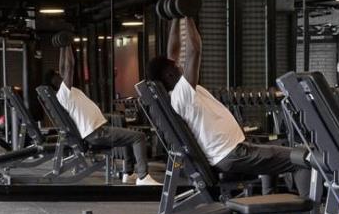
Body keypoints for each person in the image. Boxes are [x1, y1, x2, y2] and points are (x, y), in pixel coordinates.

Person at [145, 55, 304, 183]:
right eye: (176, 66)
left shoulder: (178, 94)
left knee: (273, 153)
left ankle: (269, 208)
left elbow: (174, 50)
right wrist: (190, 23)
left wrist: (177, 23)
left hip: (234, 151)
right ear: (169, 75)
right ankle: (310, 213)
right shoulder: (182, 93)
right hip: (232, 154)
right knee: (303, 159)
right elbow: (194, 51)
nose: (181, 66)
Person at [46, 48, 157, 186]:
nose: (60, 74)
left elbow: (64, 67)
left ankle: (128, 174)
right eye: (57, 74)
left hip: (97, 131)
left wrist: (62, 47)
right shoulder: (64, 92)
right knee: (139, 137)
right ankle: (143, 176)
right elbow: (69, 66)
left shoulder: (64, 93)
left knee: (128, 137)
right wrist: (68, 44)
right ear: (54, 81)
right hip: (97, 133)